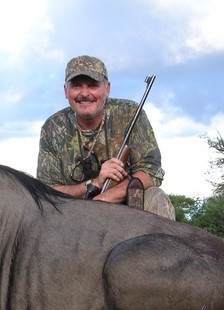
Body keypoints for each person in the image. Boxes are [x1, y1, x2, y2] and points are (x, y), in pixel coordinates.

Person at [37, 55, 175, 219]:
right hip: (73, 212)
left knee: (155, 197)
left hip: (128, 205)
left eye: (93, 85)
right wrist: (95, 183)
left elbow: (151, 172)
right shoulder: (53, 127)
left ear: (107, 89)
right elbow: (48, 189)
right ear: (66, 91)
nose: (84, 93)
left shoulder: (130, 114)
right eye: (76, 86)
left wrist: (104, 199)